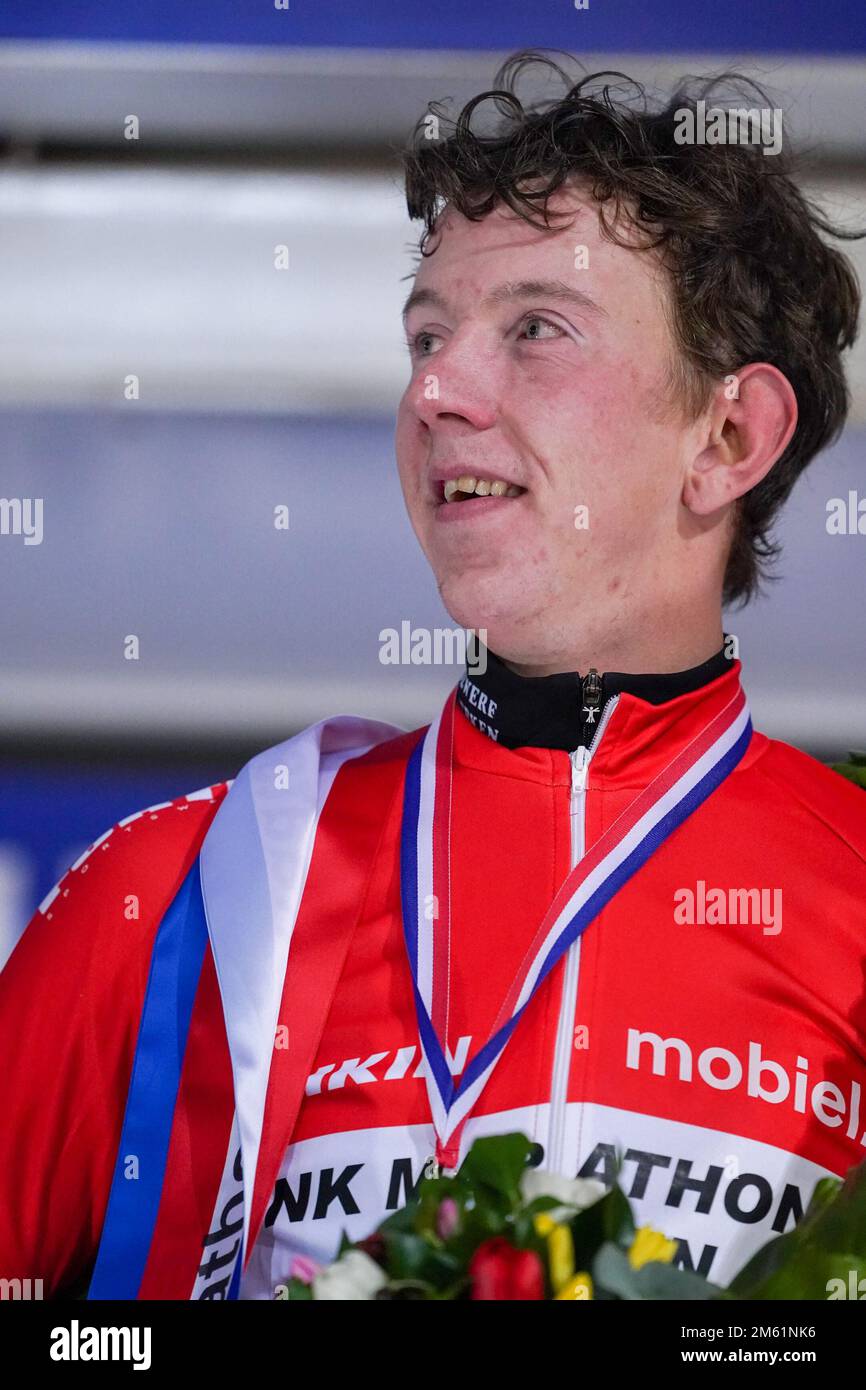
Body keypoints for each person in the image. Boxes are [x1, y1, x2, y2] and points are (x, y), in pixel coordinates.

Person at [1, 53, 864, 1301]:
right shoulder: (178, 894)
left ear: (727, 436)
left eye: (533, 330)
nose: (433, 391)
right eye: (425, 335)